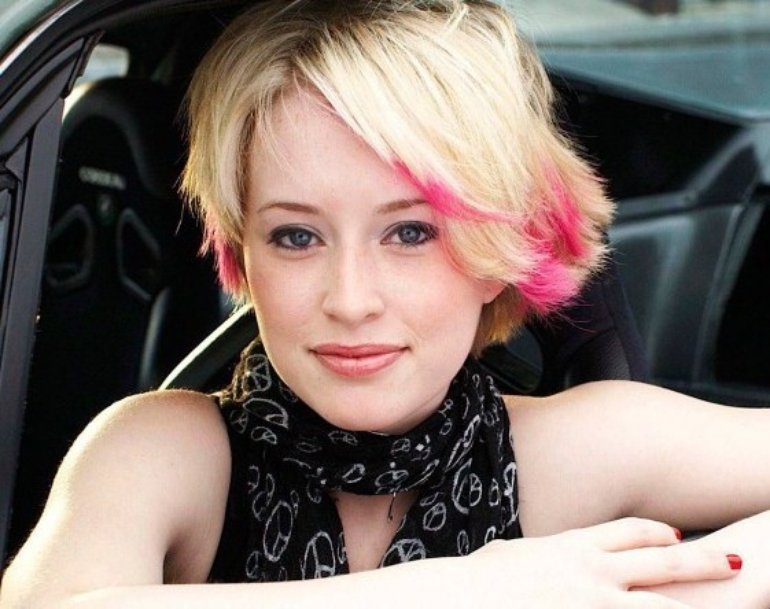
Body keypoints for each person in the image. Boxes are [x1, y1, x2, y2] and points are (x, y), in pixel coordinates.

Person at [3, 0, 770, 607]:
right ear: (244, 254)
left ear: (497, 251)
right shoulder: (160, 451)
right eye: (296, 236)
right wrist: (464, 591)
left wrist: (708, 588)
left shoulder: (579, 447)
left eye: (409, 232)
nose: (350, 299)